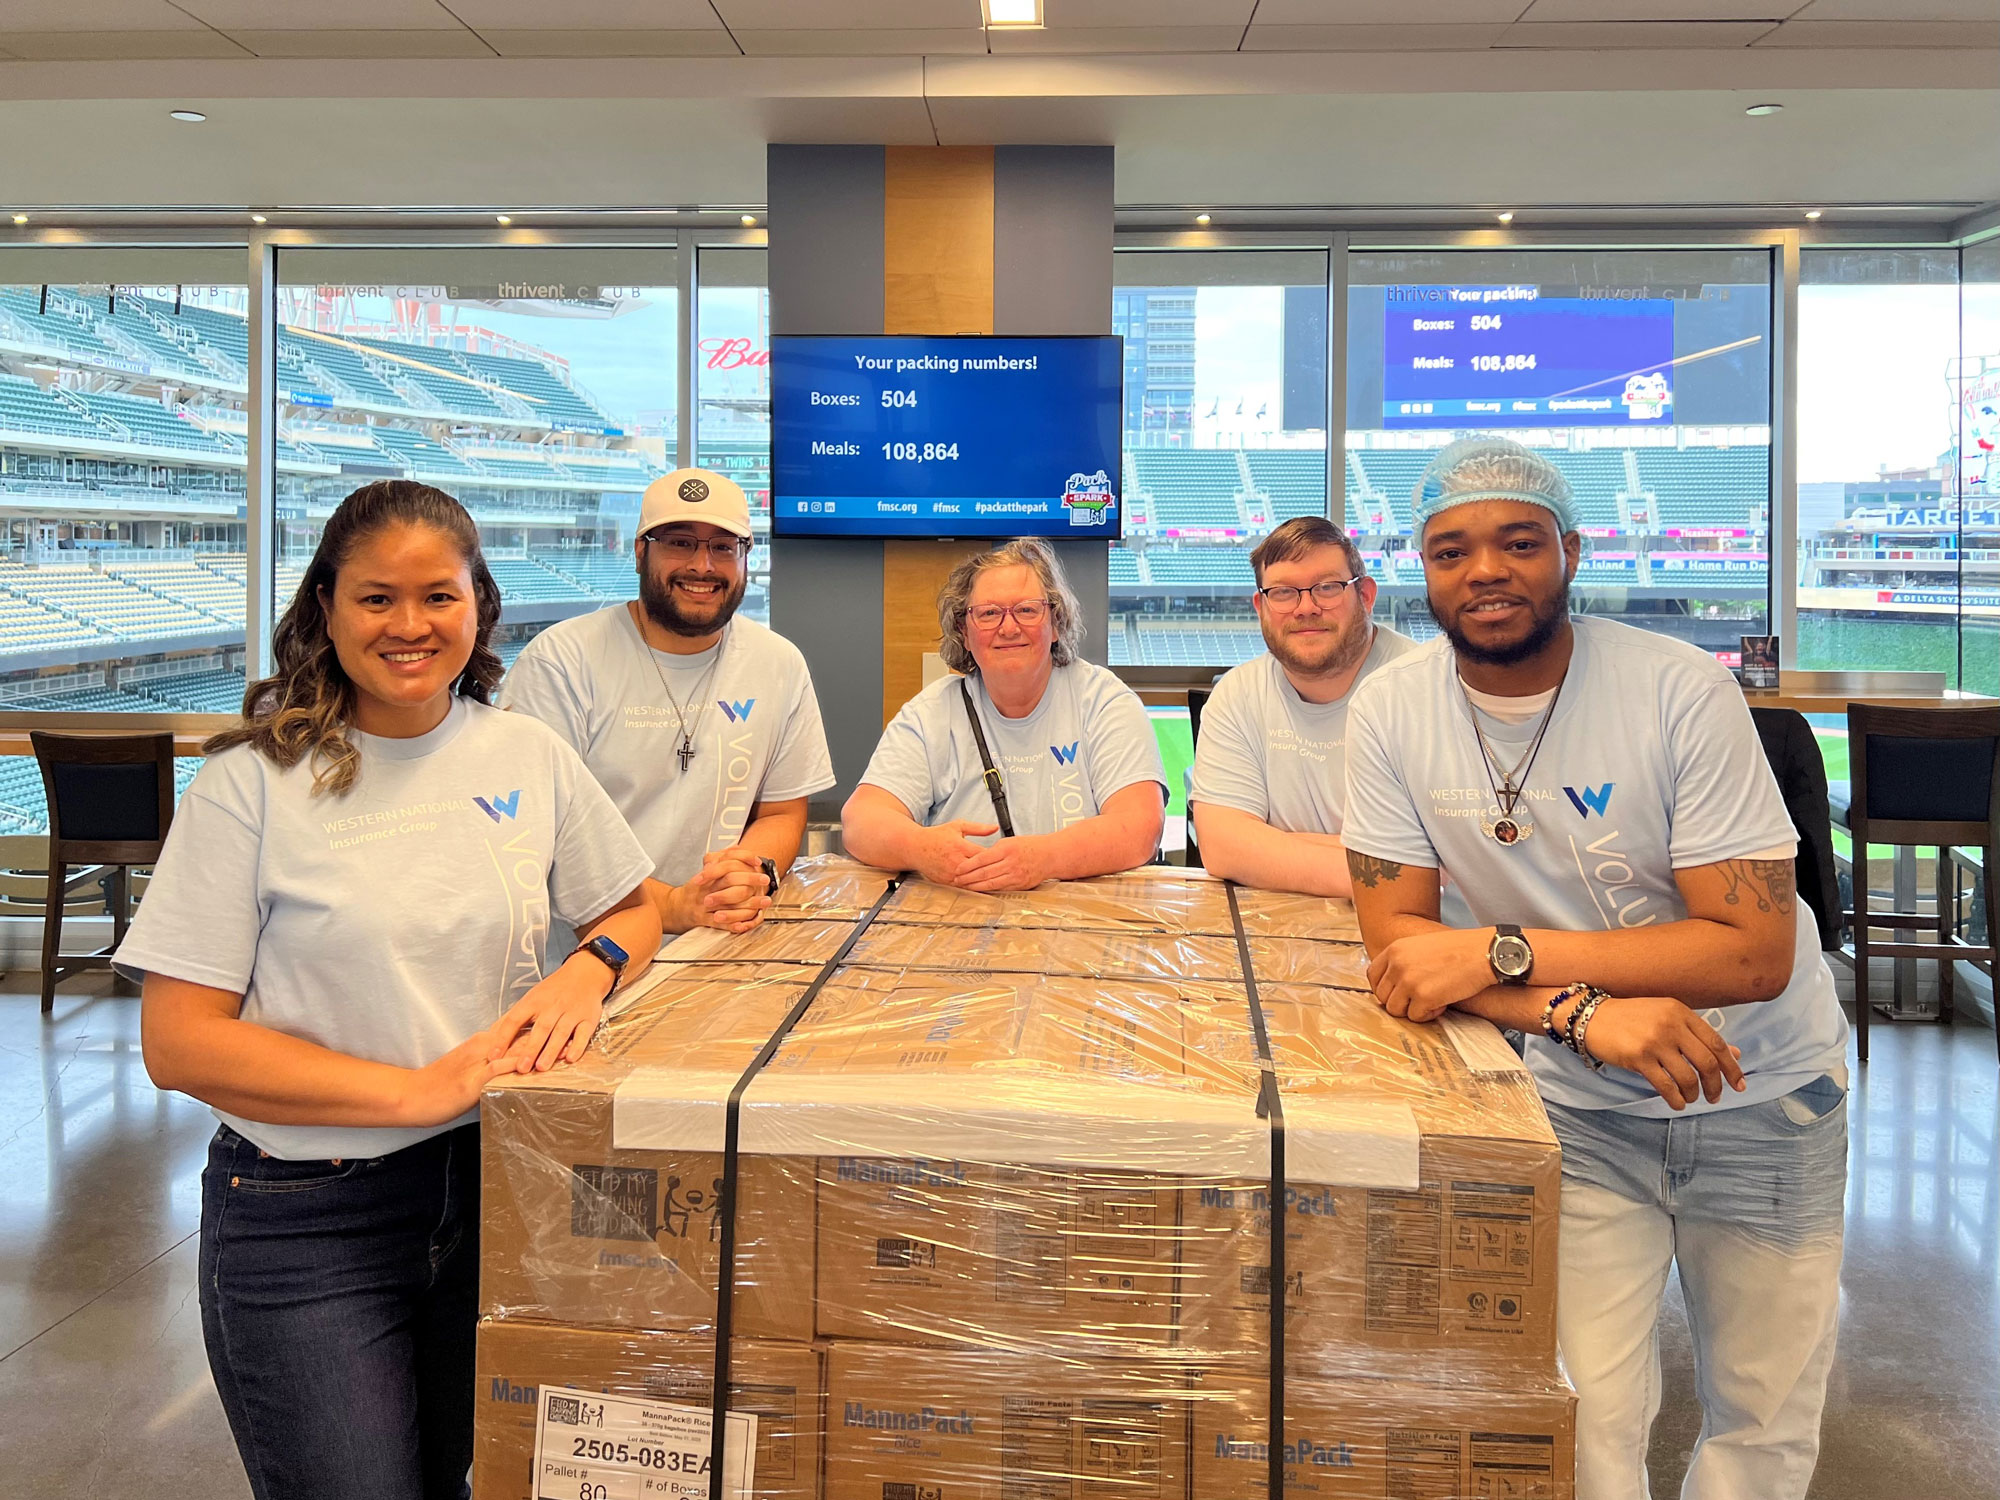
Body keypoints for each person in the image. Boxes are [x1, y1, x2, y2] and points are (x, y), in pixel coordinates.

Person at [118, 481, 661, 1500]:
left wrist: (591, 970)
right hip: (308, 1214)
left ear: (478, 606)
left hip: (493, 1190)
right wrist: (417, 1091)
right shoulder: (251, 783)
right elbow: (179, 1042)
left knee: (457, 1481)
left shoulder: (525, 754)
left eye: (437, 597)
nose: (409, 626)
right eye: (376, 599)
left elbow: (631, 910)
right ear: (325, 606)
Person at [1339, 436, 1850, 1500]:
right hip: (1571, 1106)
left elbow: (1751, 950)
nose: (1484, 570)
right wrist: (1577, 1014)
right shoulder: (1388, 714)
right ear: (1419, 571)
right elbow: (1399, 955)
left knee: (1760, 1421)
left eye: (1516, 542)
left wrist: (1493, 951)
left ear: (1568, 552)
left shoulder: (1678, 692)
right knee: (1575, 1414)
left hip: (1759, 1094)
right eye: (1450, 550)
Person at [503, 467, 834, 938]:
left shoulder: (777, 663)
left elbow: (781, 811)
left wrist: (747, 874)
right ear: (640, 550)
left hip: (719, 947)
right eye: (680, 542)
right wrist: (674, 905)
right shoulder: (560, 663)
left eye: (723, 547)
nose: (702, 566)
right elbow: (541, 837)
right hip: (589, 959)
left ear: (746, 557)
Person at [842, 536, 1166, 891]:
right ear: (964, 633)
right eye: (989, 614)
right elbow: (860, 822)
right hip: (961, 922)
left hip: (1081, 926)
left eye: (1027, 610)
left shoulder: (1105, 702)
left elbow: (1140, 829)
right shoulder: (931, 714)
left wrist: (1043, 858)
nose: (1009, 628)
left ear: (1056, 623)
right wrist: (920, 848)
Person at [1188, 515, 1417, 897]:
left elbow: (1436, 866)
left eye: (1327, 587)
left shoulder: (1426, 690)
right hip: (1278, 935)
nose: (1306, 608)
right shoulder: (1237, 694)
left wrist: (1270, 846)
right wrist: (1380, 863)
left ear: (1366, 595)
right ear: (1260, 606)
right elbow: (1223, 848)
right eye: (1283, 592)